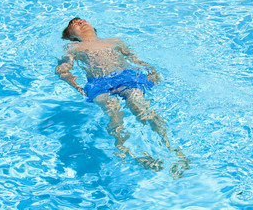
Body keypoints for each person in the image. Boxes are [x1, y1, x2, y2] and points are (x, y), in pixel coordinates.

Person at [56, 18, 189, 177]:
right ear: (71, 35)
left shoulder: (114, 41)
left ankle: (171, 147)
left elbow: (134, 59)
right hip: (98, 83)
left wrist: (151, 70)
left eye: (82, 21)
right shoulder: (74, 46)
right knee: (112, 109)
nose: (80, 23)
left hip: (125, 77)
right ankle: (124, 149)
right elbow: (63, 69)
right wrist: (76, 86)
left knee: (139, 105)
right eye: (74, 25)